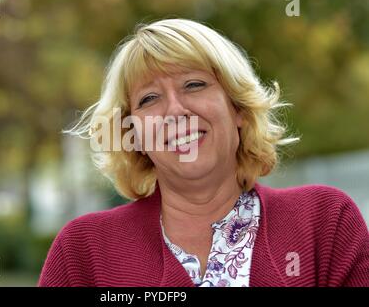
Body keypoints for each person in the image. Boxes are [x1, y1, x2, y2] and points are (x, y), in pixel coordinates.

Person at [39, 18, 369, 287]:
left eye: (194, 85)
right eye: (149, 99)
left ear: (238, 107)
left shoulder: (324, 222)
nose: (174, 111)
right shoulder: (84, 251)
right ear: (133, 134)